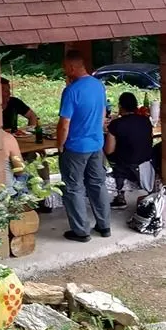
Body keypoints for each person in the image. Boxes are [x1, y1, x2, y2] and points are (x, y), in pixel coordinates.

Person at [57, 49, 111, 243]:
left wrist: (60, 145)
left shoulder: (71, 91)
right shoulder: (98, 85)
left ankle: (81, 231)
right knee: (97, 184)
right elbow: (103, 113)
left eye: (65, 67)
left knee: (73, 188)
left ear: (72, 67)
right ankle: (104, 226)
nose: (64, 70)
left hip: (76, 147)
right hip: (96, 144)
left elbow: (64, 124)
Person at [105, 92, 155, 209]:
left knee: (108, 149)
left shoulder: (116, 124)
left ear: (120, 106)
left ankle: (120, 195)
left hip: (127, 164)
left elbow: (109, 150)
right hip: (146, 161)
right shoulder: (146, 121)